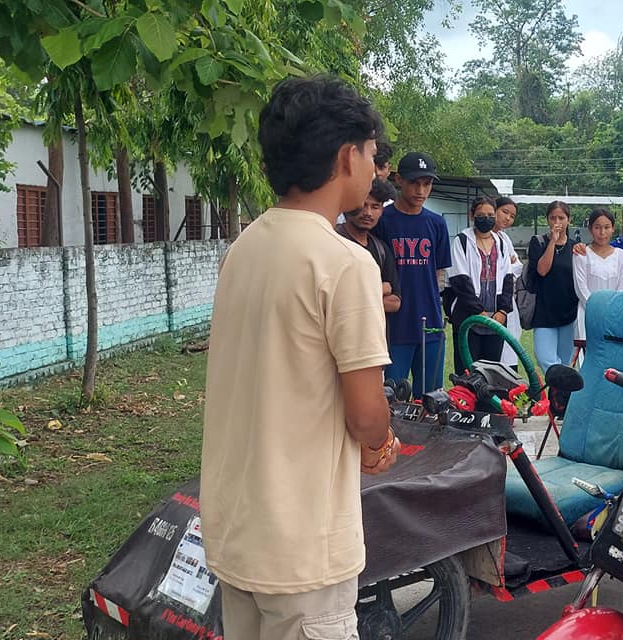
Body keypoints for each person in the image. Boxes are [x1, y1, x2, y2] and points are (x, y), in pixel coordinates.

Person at [202, 76, 398, 640]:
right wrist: (381, 444)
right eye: (371, 154)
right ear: (346, 157)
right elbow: (366, 414)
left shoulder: (243, 249)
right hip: (304, 549)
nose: (374, 170)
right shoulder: (345, 263)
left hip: (237, 532)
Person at [375, 151, 450, 392]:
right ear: (398, 180)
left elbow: (438, 273)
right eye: (414, 183)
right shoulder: (382, 220)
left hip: (430, 325)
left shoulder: (437, 223)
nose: (421, 191)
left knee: (430, 399)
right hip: (394, 326)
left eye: (426, 184)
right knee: (391, 397)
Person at [444, 197, 516, 369]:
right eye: (481, 215)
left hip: (496, 317)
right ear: (472, 215)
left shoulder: (501, 243)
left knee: (492, 370)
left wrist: (503, 311)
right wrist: (479, 312)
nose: (486, 219)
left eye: (490, 215)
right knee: (467, 370)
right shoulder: (461, 241)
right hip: (468, 314)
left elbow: (508, 278)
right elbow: (460, 281)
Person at [528, 201, 580, 370]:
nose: (557, 222)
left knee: (566, 363)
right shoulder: (538, 242)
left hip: (569, 313)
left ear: (569, 220)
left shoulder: (575, 247)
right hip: (544, 312)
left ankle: (560, 388)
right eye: (553, 218)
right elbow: (542, 270)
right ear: (547, 220)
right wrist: (552, 242)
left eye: (561, 218)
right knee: (545, 359)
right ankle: (557, 383)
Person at [337, 178, 401, 314]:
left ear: (382, 210)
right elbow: (334, 298)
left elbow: (394, 303)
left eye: (375, 207)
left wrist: (355, 298)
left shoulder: (381, 249)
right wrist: (380, 289)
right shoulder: (333, 241)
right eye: (363, 205)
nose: (368, 213)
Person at [573, 209, 623, 342]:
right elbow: (581, 288)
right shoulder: (581, 254)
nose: (602, 232)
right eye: (597, 227)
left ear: (613, 228)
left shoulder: (622, 256)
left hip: (614, 316)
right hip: (587, 314)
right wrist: (596, 310)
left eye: (606, 227)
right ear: (590, 229)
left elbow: (622, 290)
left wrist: (611, 312)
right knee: (586, 351)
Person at [494, 196, 524, 368]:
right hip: (490, 297)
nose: (508, 218)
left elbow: (517, 267)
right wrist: (507, 266)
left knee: (510, 344)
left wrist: (507, 267)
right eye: (504, 212)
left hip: (507, 299)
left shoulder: (505, 238)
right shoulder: (475, 237)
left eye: (512, 216)